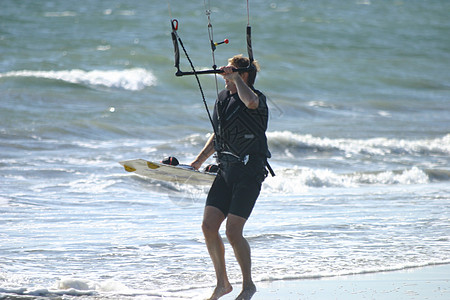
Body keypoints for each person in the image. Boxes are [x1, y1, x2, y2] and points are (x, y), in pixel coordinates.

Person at [190, 54, 271, 300]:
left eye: (231, 72)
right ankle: (222, 284)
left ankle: (248, 286)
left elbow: (251, 103)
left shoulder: (256, 99)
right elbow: (218, 135)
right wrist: (198, 161)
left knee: (233, 231)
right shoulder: (223, 99)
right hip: (226, 171)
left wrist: (236, 77)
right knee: (208, 226)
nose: (225, 76)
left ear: (243, 74)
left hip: (249, 171)